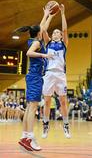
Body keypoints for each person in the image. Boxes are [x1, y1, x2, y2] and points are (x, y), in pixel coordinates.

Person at [17, 12, 53, 151]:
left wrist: (47, 15)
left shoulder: (34, 39)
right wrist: (45, 55)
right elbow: (28, 53)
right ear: (39, 33)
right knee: (33, 108)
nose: (44, 30)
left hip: (33, 77)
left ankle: (24, 136)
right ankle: (30, 138)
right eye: (42, 31)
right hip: (35, 78)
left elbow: (42, 26)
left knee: (29, 108)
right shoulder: (37, 43)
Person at [42, 4, 71, 138]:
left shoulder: (63, 44)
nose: (55, 33)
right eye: (53, 32)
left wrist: (63, 13)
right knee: (47, 102)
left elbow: (65, 30)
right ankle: (45, 125)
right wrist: (48, 16)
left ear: (60, 35)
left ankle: (66, 125)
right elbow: (43, 30)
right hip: (49, 73)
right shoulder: (48, 43)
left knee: (63, 101)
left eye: (57, 32)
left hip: (60, 74)